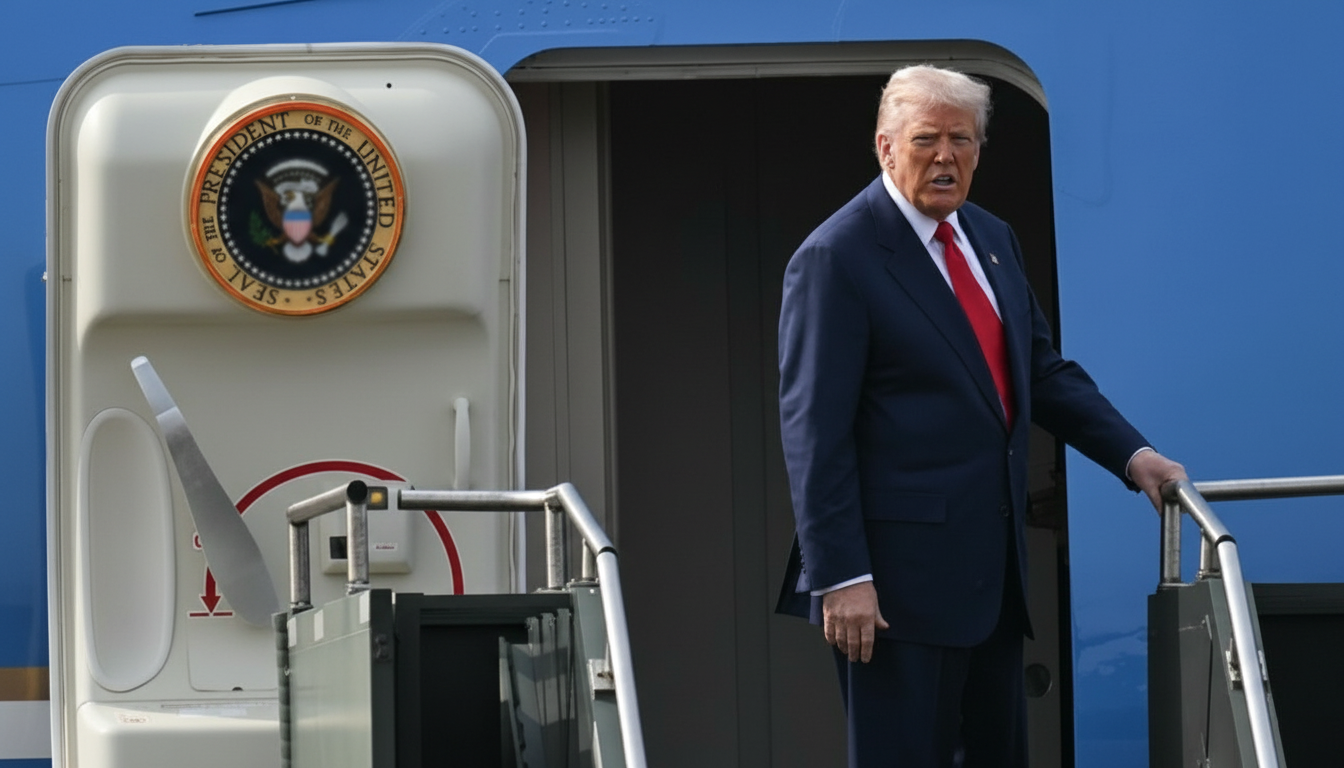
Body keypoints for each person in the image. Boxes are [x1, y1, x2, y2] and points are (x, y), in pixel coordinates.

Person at [775, 64, 1187, 768]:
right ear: (884, 146)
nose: (946, 157)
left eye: (961, 140)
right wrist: (839, 575)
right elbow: (815, 430)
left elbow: (1041, 370)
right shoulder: (836, 257)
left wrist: (1132, 454)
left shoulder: (990, 236)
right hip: (891, 592)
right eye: (927, 139)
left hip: (990, 580)